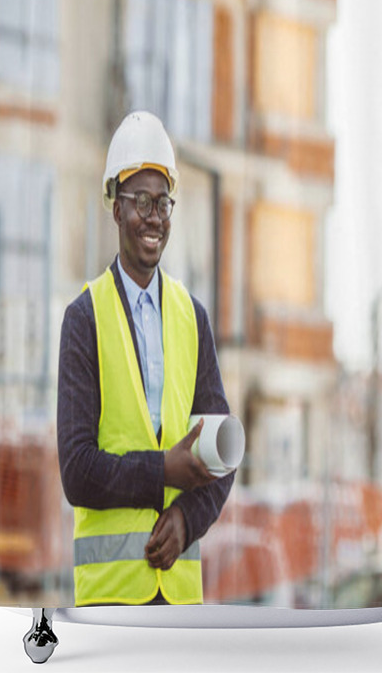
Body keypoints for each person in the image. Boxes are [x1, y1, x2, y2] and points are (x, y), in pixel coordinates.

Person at [57, 111, 234, 607]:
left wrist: (187, 518)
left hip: (178, 601)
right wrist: (163, 472)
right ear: (116, 209)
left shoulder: (191, 317)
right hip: (110, 603)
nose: (154, 216)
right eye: (140, 201)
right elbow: (76, 469)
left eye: (163, 202)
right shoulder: (85, 318)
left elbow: (222, 454)